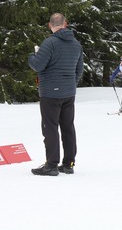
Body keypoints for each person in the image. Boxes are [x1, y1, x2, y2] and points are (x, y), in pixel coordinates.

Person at [28, 13, 83, 176]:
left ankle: (51, 164)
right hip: (68, 92)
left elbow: (37, 65)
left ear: (49, 25)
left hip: (50, 93)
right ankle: (68, 163)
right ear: (65, 24)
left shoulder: (49, 43)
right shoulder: (76, 44)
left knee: (50, 127)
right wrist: (70, 84)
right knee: (68, 127)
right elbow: (79, 69)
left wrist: (31, 56)